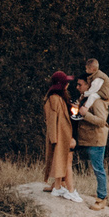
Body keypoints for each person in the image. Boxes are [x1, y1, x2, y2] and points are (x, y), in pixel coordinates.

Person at [73, 55, 109, 210]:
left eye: (80, 85)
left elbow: (102, 121)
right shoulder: (84, 98)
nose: (78, 87)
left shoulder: (97, 101)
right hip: (86, 138)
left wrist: (85, 114)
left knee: (98, 168)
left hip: (96, 139)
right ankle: (63, 186)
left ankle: (101, 199)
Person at [41, 69, 80, 201]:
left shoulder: (59, 98)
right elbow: (52, 121)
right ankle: (69, 190)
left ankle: (57, 187)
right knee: (62, 161)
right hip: (59, 136)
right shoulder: (54, 99)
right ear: (61, 84)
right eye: (65, 82)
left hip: (62, 135)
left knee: (60, 161)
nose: (68, 84)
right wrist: (54, 139)